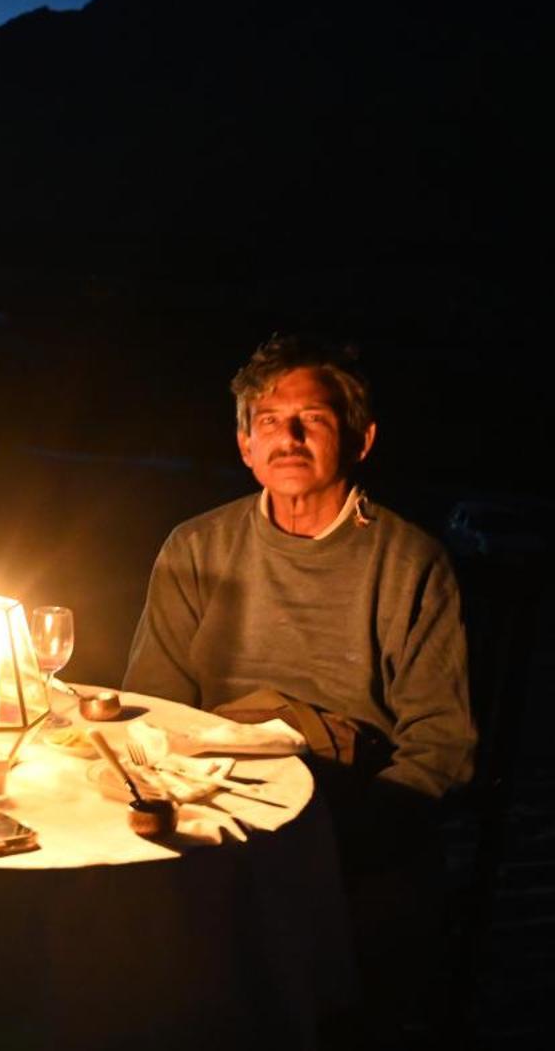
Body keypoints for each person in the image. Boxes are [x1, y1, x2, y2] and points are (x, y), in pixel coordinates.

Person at [123, 335, 475, 1032]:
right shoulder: (196, 547)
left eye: (310, 418)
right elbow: (152, 705)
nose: (285, 436)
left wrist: (348, 830)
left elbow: (443, 746)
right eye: (266, 421)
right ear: (244, 445)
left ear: (360, 437)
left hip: (343, 799)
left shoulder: (411, 562)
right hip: (213, 788)